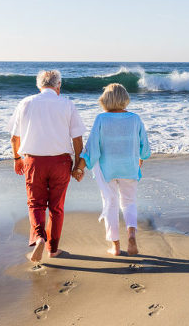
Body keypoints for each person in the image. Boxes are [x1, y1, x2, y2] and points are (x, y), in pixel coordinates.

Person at [9, 70, 86, 263]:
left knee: (36, 203)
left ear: (39, 85)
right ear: (58, 85)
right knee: (56, 207)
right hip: (60, 162)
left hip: (34, 161)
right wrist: (78, 165)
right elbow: (77, 139)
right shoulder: (67, 104)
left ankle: (39, 238)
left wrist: (17, 159)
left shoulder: (25, 103)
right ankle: (53, 249)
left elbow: (15, 137)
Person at [74, 83, 151, 256]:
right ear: (125, 99)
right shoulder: (135, 118)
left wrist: (80, 167)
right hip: (129, 166)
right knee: (129, 201)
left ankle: (115, 246)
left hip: (106, 167)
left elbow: (93, 147)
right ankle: (131, 234)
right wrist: (140, 159)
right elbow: (144, 148)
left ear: (105, 99)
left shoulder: (101, 118)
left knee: (110, 202)